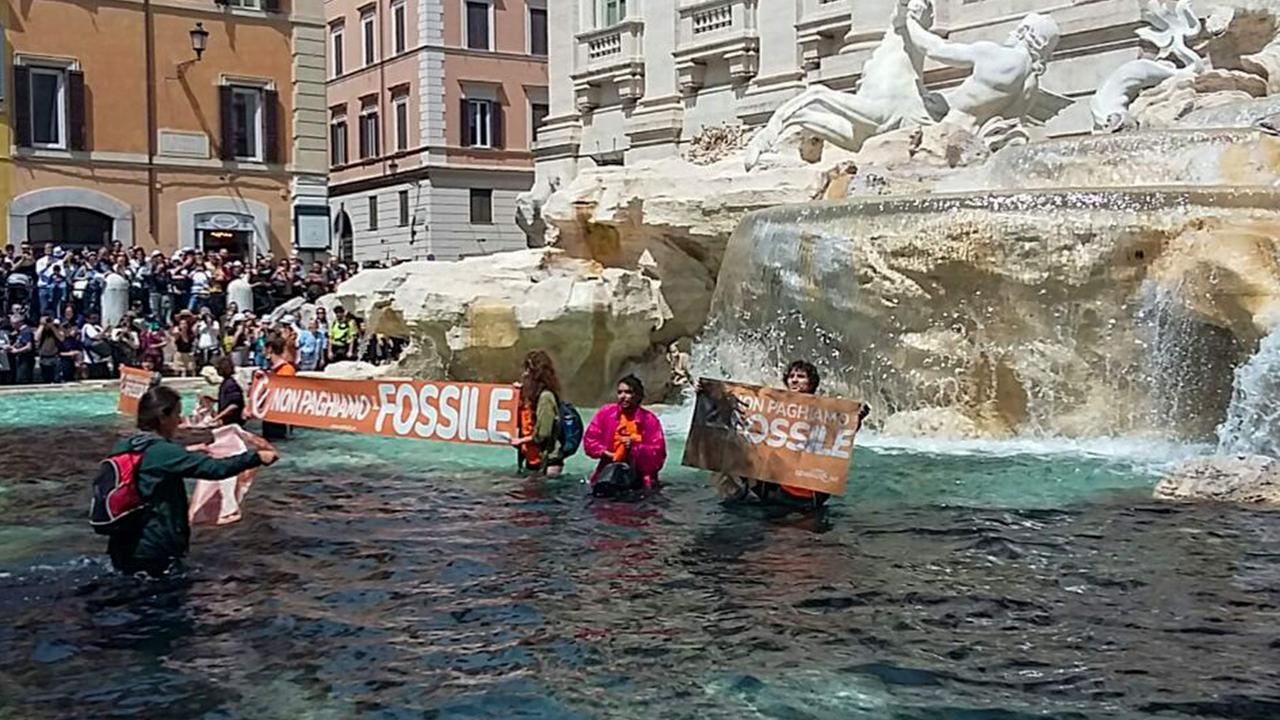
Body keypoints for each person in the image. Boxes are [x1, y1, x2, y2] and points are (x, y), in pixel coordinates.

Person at [105, 385, 278, 576]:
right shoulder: (164, 452)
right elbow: (215, 469)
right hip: (155, 550)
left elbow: (149, 466)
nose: (179, 420)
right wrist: (256, 457)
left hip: (123, 544)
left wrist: (186, 452)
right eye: (177, 414)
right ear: (162, 417)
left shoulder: (125, 445)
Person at [582, 374, 667, 490]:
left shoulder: (649, 420)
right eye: (620, 392)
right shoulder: (606, 413)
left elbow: (658, 454)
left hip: (640, 479)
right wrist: (607, 453)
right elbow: (590, 441)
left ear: (638, 395)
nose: (623, 396)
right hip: (608, 473)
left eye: (628, 392)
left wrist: (635, 448)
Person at [511, 350, 565, 477]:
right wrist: (517, 393)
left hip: (548, 461)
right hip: (534, 458)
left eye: (528, 371)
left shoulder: (545, 398)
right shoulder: (532, 396)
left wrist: (520, 441)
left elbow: (543, 434)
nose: (524, 374)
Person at [260, 332, 296, 441]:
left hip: (281, 416)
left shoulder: (286, 369)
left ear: (270, 350)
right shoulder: (271, 370)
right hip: (270, 414)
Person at [211, 356, 246, 426]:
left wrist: (216, 418)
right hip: (227, 421)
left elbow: (234, 405)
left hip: (233, 422)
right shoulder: (225, 383)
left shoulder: (231, 385)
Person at [35, 316, 62, 384]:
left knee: (56, 379)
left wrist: (52, 326)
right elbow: (36, 338)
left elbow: (61, 338)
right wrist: (42, 325)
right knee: (46, 380)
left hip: (54, 356)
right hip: (44, 357)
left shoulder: (57, 327)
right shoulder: (41, 329)